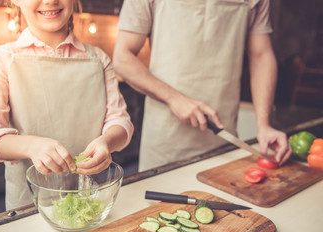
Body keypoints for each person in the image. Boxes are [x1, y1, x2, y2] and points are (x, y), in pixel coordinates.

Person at [0, 0, 133, 210]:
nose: (50, 1)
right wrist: (31, 146)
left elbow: (120, 121)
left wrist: (107, 142)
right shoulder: (1, 60)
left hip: (93, 200)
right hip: (29, 204)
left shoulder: (100, 59)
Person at [113, 0, 291, 171]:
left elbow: (261, 56)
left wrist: (264, 125)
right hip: (166, 140)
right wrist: (174, 98)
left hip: (223, 138)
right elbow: (122, 58)